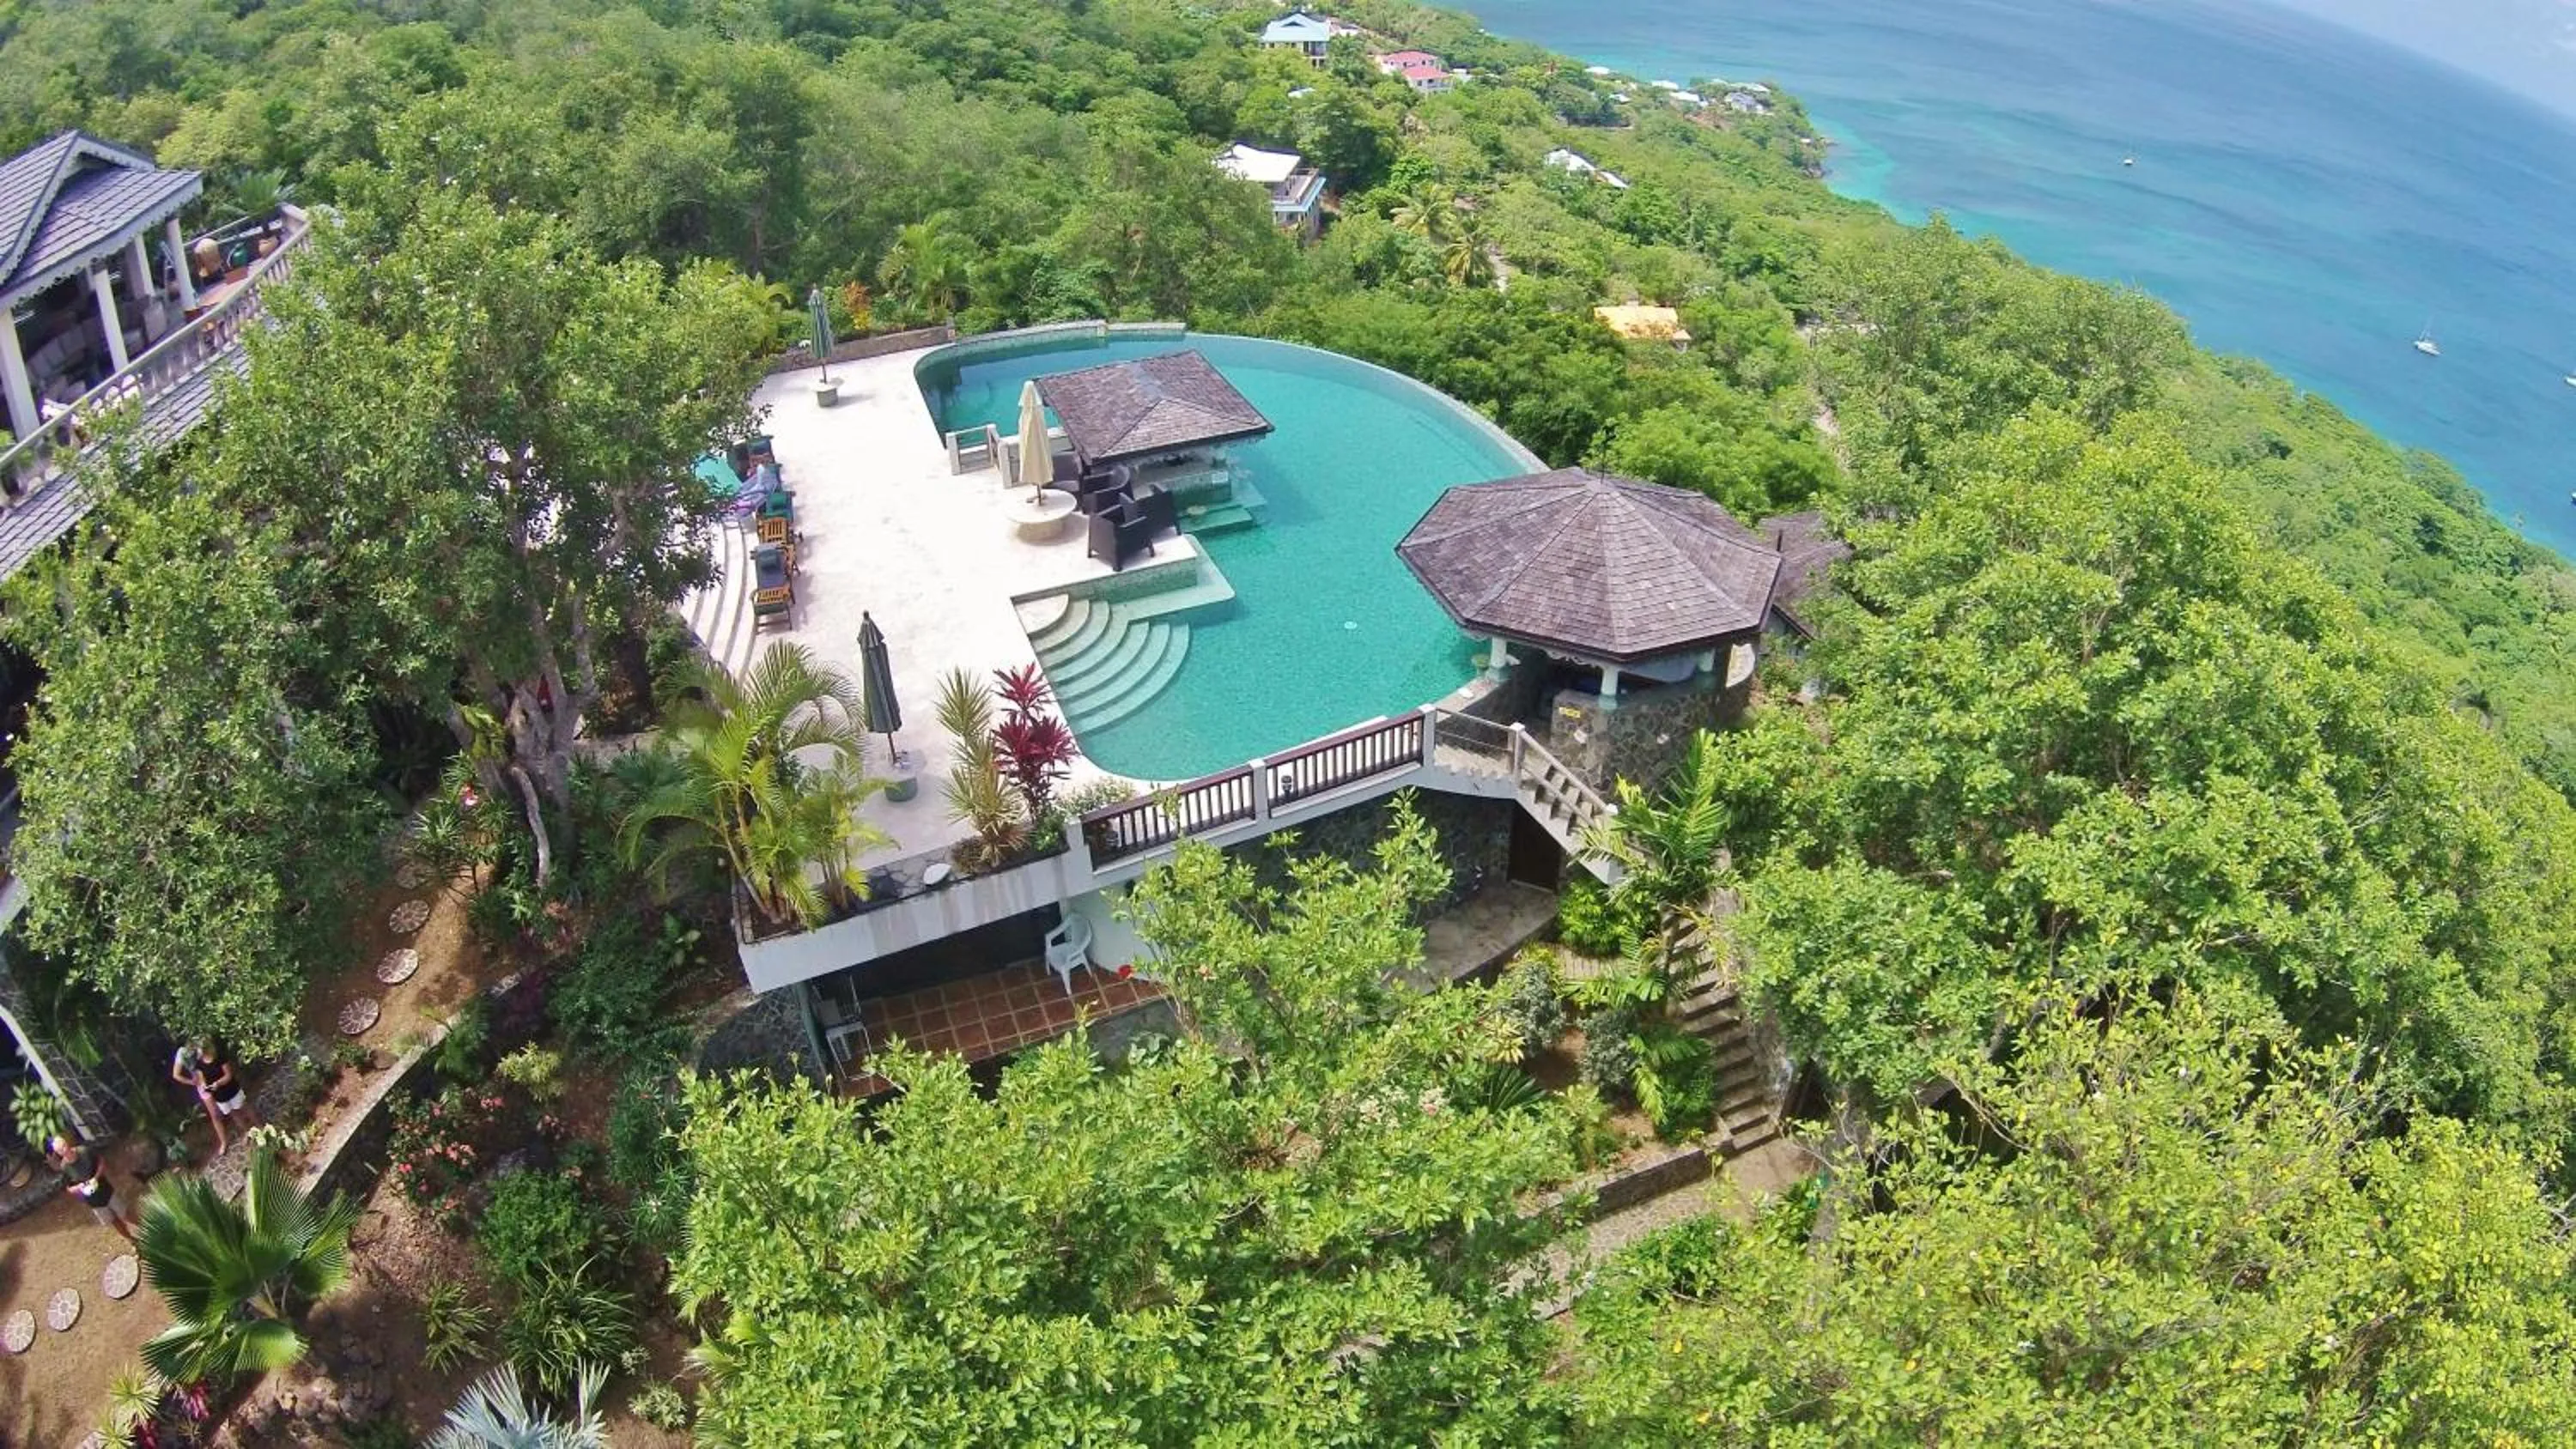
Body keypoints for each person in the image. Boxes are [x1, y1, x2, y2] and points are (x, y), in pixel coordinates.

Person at [173, 1039, 254, 1155]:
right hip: (204, 1085)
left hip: (216, 1077)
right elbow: (176, 1075)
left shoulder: (200, 1041)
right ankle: (224, 1141)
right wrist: (192, 1082)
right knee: (216, 1114)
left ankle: (253, 1126)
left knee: (238, 1105)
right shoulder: (182, 1052)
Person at [48, 1135, 135, 1244]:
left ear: (67, 1143)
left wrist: (96, 1178)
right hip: (93, 1201)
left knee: (126, 1214)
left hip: (106, 1190)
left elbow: (101, 1162)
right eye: (60, 1150)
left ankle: (147, 1228)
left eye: (64, 1146)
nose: (64, 1150)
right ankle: (131, 1240)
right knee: (114, 1222)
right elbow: (69, 1188)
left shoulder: (84, 1152)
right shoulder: (65, 1167)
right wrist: (78, 1187)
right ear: (59, 1153)